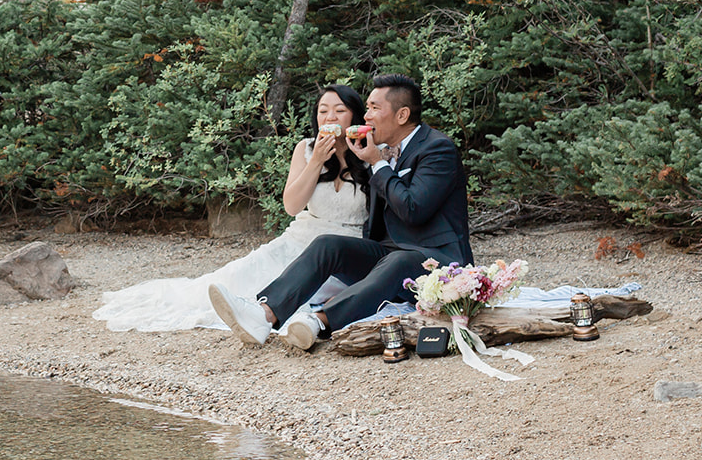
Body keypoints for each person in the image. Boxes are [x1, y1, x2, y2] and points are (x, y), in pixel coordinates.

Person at [208, 73, 471, 351]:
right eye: (366, 107)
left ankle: (318, 321)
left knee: (398, 262)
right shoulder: (378, 148)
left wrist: (377, 164)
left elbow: (413, 210)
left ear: (402, 115)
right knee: (328, 244)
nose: (366, 116)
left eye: (373, 108)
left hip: (437, 262)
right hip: (390, 254)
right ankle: (264, 315)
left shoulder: (437, 149)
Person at [91, 85, 371, 332]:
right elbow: (291, 206)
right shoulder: (306, 149)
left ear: (355, 116)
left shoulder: (370, 152)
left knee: (301, 291)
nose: (330, 118)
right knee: (239, 276)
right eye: (323, 111)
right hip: (300, 238)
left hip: (345, 248)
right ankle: (242, 310)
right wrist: (316, 162)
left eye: (339, 111)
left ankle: (269, 315)